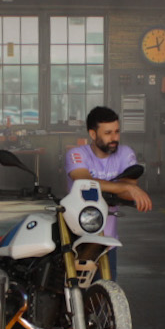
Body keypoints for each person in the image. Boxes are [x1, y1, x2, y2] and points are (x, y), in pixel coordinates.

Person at [64, 105, 152, 272]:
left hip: (106, 241)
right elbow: (83, 181)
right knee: (70, 287)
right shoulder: (76, 154)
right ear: (93, 134)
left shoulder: (125, 153)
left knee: (107, 286)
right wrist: (124, 187)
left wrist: (126, 189)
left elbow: (128, 194)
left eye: (117, 132)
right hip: (76, 238)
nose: (114, 138)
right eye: (108, 133)